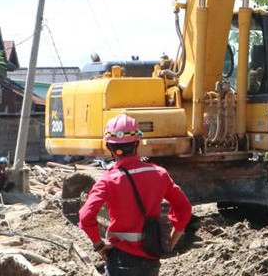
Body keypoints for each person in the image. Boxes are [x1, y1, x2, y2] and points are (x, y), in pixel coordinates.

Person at [79, 115, 192, 276]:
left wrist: (99, 245)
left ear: (110, 148)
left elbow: (85, 216)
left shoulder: (109, 179)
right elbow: (184, 209)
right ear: (137, 144)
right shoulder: (159, 174)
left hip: (121, 260)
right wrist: (170, 243)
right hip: (152, 258)